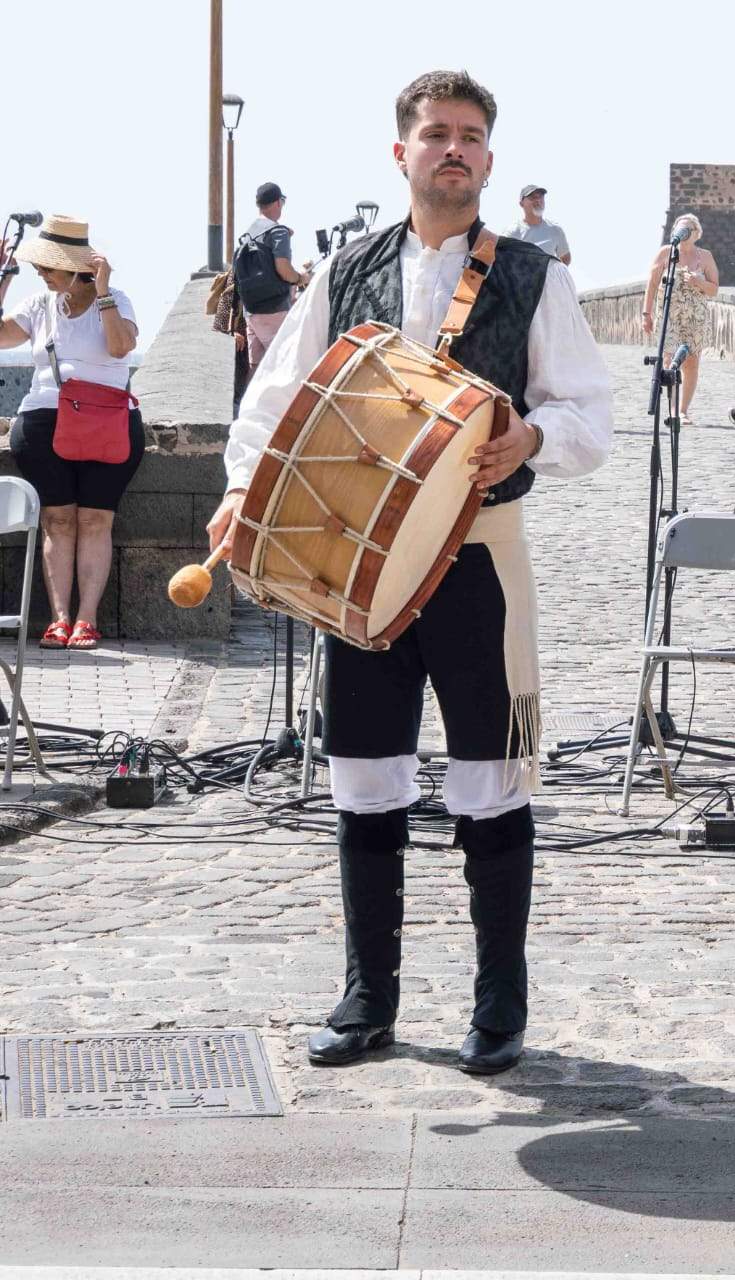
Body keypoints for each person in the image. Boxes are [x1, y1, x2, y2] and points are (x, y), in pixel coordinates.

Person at [208, 70, 613, 1076]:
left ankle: (497, 1005)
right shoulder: (347, 271)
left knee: (490, 781)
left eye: (471, 136)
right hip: (358, 566)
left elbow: (591, 419)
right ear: (402, 153)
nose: (455, 150)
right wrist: (242, 488)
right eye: (436, 134)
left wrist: (529, 435)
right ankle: (367, 997)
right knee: (365, 777)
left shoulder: (534, 277)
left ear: (488, 155)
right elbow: (276, 403)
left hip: (479, 562)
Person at [0, 216, 142, 651]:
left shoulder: (116, 300)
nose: (41, 274)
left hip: (105, 419)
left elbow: (120, 347)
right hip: (44, 422)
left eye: (49, 267)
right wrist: (3, 280)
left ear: (77, 268)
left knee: (95, 520)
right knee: (57, 520)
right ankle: (59, 619)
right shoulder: (39, 304)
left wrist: (102, 295)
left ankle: (87, 619)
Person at [640, 213, 720, 422]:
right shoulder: (666, 253)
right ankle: (673, 409)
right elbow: (652, 285)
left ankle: (684, 410)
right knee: (669, 360)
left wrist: (698, 282)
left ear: (697, 234)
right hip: (670, 317)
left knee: (692, 363)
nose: (684, 234)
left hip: (696, 318)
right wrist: (646, 314)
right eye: (681, 229)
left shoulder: (706, 257)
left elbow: (714, 290)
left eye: (689, 230)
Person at [236, 183, 313, 371]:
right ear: (278, 202)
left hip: (251, 310)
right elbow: (283, 269)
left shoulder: (248, 233)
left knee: (257, 369)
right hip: (274, 310)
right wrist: (300, 278)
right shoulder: (277, 231)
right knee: (285, 366)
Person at [505, 184, 571, 265]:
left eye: (541, 197)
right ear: (521, 204)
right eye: (532, 197)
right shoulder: (512, 232)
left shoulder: (555, 230)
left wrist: (555, 275)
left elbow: (565, 258)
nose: (538, 200)